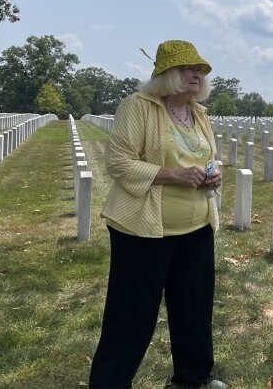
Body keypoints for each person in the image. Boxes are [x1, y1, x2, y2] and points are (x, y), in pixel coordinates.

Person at [89, 40, 226, 389]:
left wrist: (213, 175)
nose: (197, 74)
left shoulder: (199, 114)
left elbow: (202, 157)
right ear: (166, 75)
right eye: (188, 68)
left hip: (196, 226)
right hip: (143, 230)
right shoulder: (138, 107)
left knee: (194, 307)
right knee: (132, 316)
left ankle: (192, 378)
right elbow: (118, 163)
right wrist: (173, 175)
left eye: (200, 69)